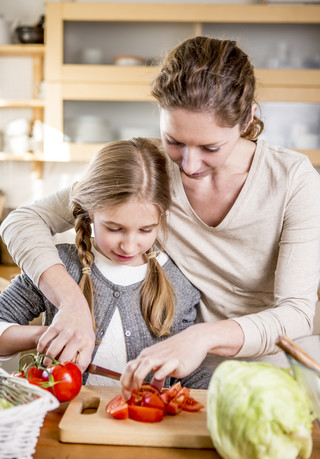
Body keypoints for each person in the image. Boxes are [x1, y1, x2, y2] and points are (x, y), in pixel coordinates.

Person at [1, 37, 320, 397]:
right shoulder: (149, 170)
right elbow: (21, 220)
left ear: (247, 119)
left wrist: (202, 337)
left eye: (210, 148)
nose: (188, 165)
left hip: (264, 374)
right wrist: (72, 303)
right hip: (176, 378)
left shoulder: (293, 180)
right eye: (175, 141)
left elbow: (297, 313)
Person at [0, 137, 210, 390]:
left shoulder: (178, 282)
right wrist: (48, 335)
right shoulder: (60, 266)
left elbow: (184, 375)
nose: (129, 246)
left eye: (146, 230)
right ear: (89, 213)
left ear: (162, 217)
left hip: (146, 426)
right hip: (62, 422)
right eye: (114, 228)